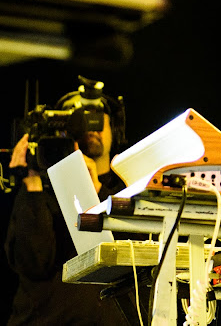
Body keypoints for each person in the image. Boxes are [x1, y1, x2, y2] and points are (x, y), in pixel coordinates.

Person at [4, 77, 138, 325]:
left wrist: (95, 190)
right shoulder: (41, 191)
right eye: (78, 119)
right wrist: (31, 183)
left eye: (97, 118)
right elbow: (33, 264)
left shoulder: (131, 187)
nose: (90, 126)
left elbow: (131, 258)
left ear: (114, 130)